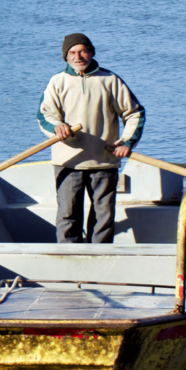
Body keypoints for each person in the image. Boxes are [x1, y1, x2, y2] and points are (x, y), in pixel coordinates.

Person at [37, 33, 145, 243]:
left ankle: (99, 259)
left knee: (103, 217)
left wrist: (126, 142)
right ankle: (68, 261)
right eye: (72, 53)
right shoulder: (57, 81)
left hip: (104, 160)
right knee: (68, 215)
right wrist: (57, 127)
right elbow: (44, 115)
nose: (78, 56)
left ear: (92, 52)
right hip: (68, 161)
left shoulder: (110, 80)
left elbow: (134, 114)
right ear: (66, 57)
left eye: (83, 51)